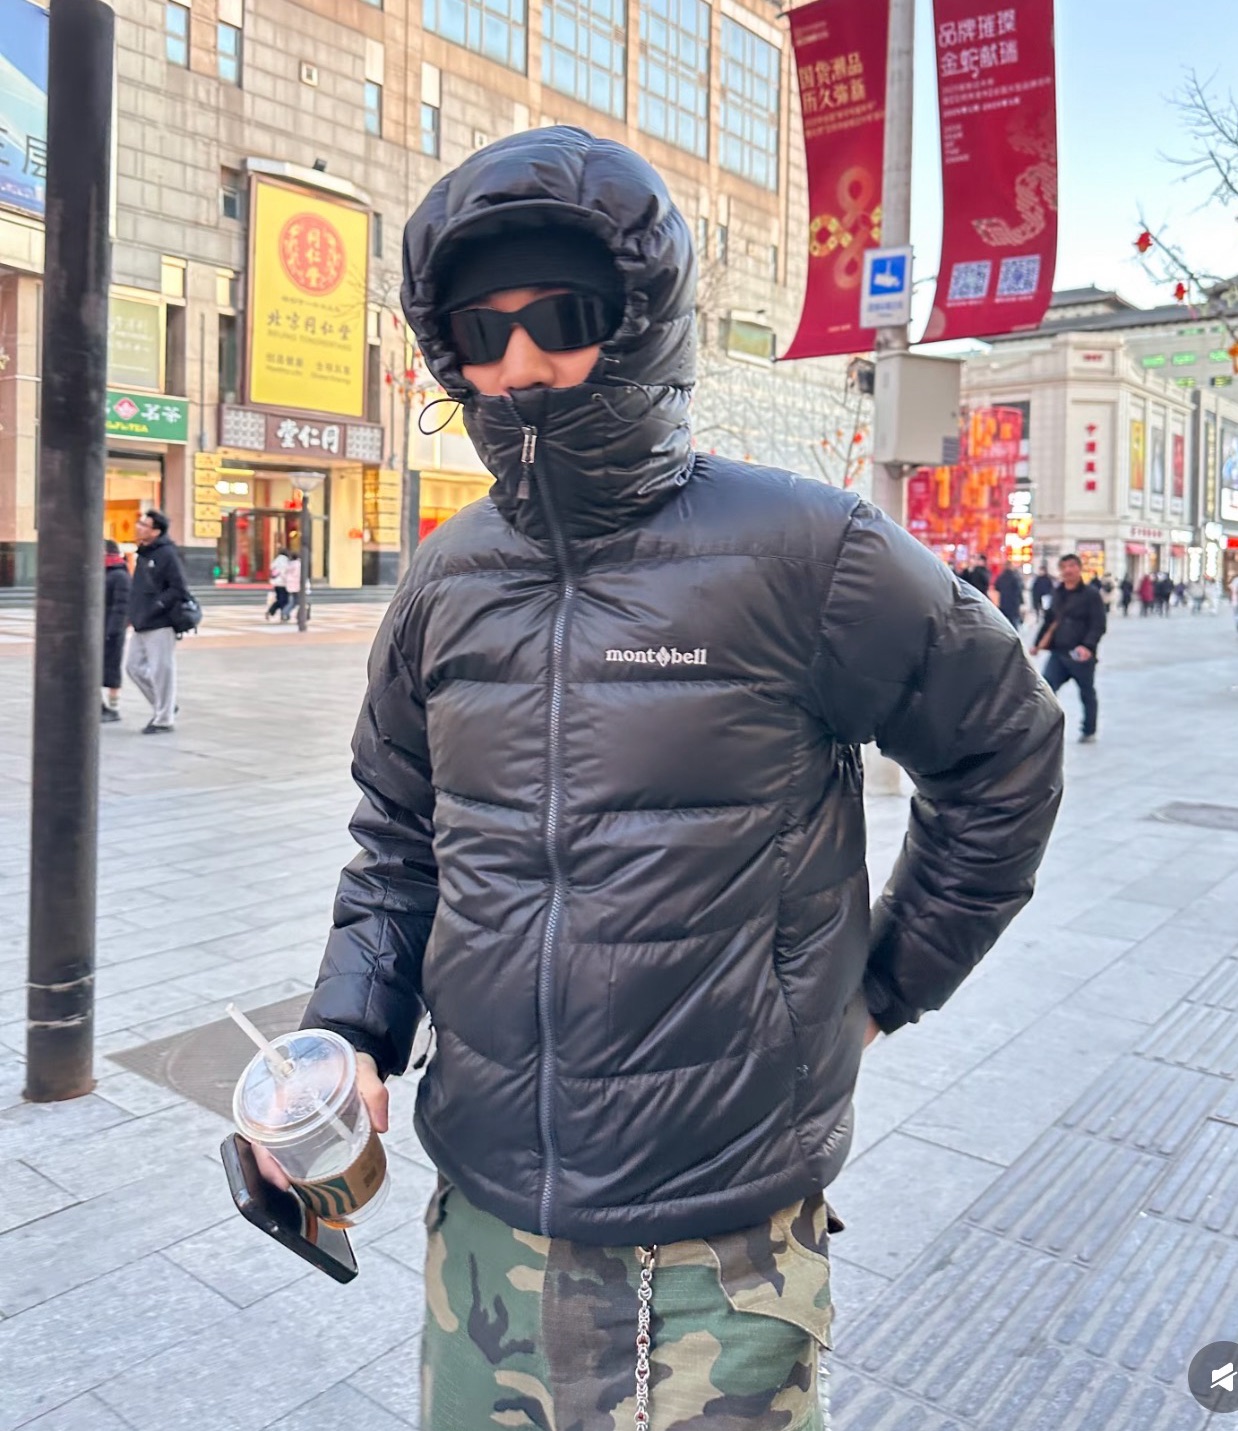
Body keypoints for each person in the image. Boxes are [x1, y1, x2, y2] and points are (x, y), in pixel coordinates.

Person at [283, 127, 1064, 1430]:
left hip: (716, 1237)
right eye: (480, 329)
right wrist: (347, 1034)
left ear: (641, 319)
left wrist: (882, 987)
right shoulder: (443, 578)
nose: (520, 362)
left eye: (563, 317)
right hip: (482, 1215)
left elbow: (1004, 752)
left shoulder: (807, 550)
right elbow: (400, 842)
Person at [126, 509, 191, 733]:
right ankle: (166, 705)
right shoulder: (144, 553)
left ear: (155, 531)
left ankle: (164, 720)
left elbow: (179, 588)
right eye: (140, 523)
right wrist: (132, 613)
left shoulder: (167, 554)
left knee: (162, 670)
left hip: (161, 622)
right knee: (133, 667)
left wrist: (157, 606)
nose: (139, 527)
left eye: (144, 525)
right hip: (141, 620)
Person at [1033, 553, 1107, 743]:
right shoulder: (1057, 592)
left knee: (1086, 692)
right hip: (1059, 653)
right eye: (1064, 567)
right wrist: (1037, 643)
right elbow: (1049, 620)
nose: (1068, 570)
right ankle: (1045, 729)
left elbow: (1098, 624)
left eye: (1072, 566)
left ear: (1079, 568)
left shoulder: (1091, 594)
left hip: (1080, 654)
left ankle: (1089, 730)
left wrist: (1088, 646)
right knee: (1046, 690)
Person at [102, 539, 131, 723]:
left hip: (112, 631)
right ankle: (98, 705)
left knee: (112, 669)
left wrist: (113, 630)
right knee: (94, 668)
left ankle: (114, 708)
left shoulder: (120, 575)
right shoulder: (102, 573)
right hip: (99, 628)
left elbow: (122, 607)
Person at [994, 560, 1024, 628]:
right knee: (1013, 621)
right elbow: (1019, 589)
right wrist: (1021, 601)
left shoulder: (1001, 576)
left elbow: (997, 587)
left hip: (1004, 601)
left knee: (1004, 621)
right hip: (1014, 602)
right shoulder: (1015, 576)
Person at [266, 547, 290, 621]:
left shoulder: (276, 560)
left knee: (280, 599)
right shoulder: (285, 560)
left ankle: (273, 612)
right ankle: (283, 613)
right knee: (284, 600)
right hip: (283, 583)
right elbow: (284, 572)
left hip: (276, 583)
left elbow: (271, 567)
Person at [282, 551, 302, 622]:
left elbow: (284, 573)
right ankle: (285, 612)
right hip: (296, 584)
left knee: (293, 600)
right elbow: (299, 575)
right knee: (296, 601)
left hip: (289, 584)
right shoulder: (298, 564)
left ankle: (286, 613)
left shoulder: (289, 564)